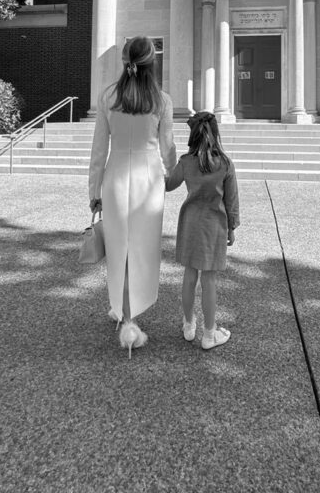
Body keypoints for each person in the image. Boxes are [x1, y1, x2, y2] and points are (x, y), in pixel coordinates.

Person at [88, 36, 177, 358]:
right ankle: (129, 317)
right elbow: (167, 148)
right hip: (149, 182)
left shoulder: (108, 95)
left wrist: (93, 192)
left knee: (119, 250)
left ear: (124, 60)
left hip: (115, 179)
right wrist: (176, 175)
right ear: (152, 62)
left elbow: (99, 151)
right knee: (142, 250)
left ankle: (124, 314)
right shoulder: (162, 100)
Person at [165, 111, 240, 350]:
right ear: (216, 134)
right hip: (214, 226)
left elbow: (167, 185)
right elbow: (231, 200)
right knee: (209, 280)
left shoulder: (187, 162)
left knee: (189, 276)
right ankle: (209, 334)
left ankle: (189, 325)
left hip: (189, 224)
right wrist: (232, 227)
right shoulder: (225, 163)